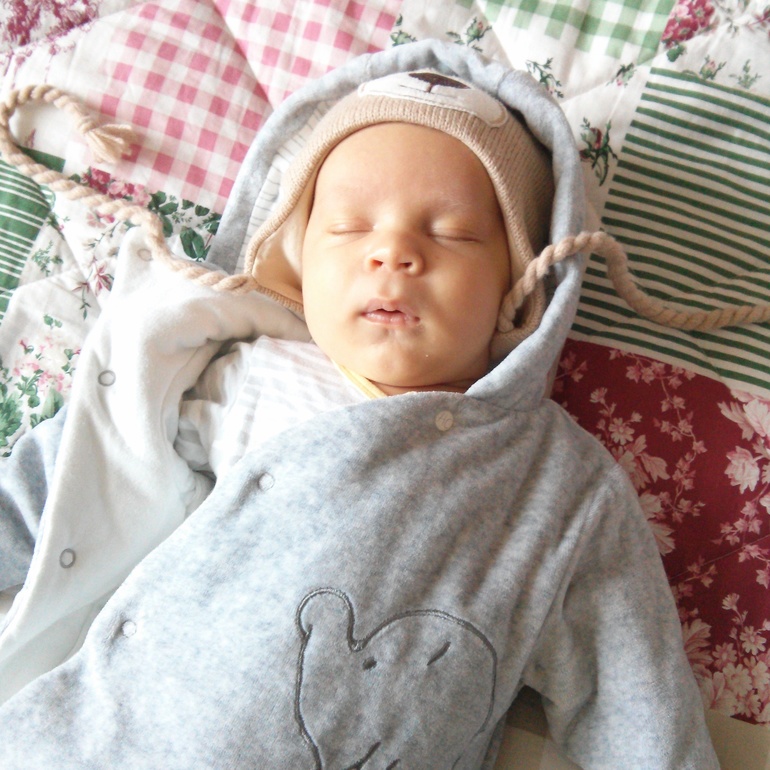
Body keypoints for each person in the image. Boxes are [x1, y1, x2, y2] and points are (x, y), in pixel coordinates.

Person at [0, 42, 718, 769]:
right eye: (348, 227)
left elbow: (639, 704)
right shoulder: (246, 375)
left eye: (452, 232)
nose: (393, 253)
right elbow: (83, 470)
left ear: (520, 287)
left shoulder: (557, 490)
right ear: (295, 255)